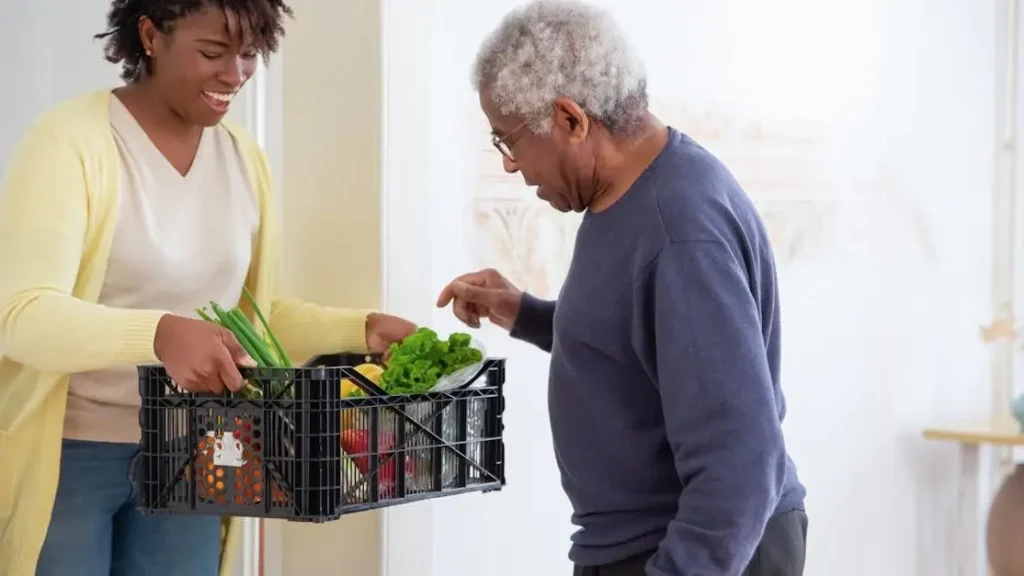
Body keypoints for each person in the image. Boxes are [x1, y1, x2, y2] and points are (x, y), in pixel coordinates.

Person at [0, 1, 417, 575]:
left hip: (193, 451)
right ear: (150, 35)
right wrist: (161, 334)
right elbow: (22, 314)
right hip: (70, 454)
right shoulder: (69, 143)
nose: (235, 75)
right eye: (213, 53)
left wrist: (357, 327)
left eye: (248, 55)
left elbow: (247, 318)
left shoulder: (243, 160)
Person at [437, 2, 808, 575]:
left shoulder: (679, 229)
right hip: (644, 543)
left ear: (570, 120)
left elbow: (740, 465)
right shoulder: (633, 194)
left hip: (690, 550)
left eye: (507, 139)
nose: (511, 165)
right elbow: (642, 337)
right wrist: (526, 314)